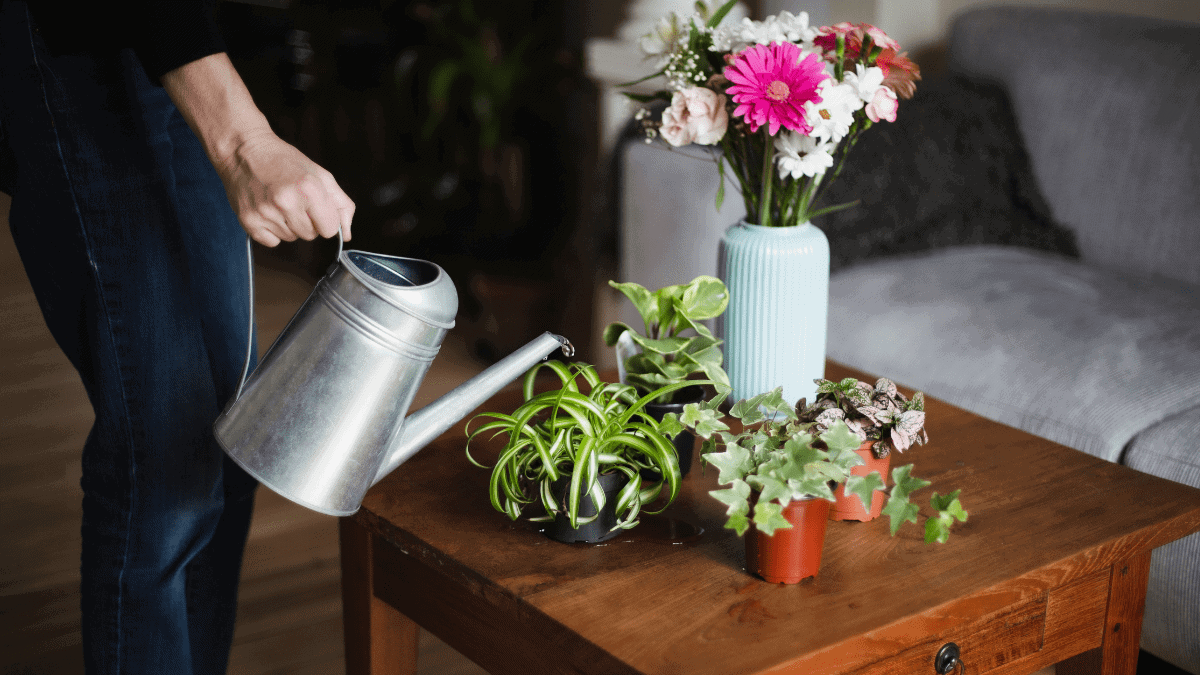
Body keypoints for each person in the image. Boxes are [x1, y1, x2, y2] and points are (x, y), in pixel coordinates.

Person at [0, 1, 354, 673]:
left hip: (190, 39)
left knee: (227, 436)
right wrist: (245, 142)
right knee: (161, 459)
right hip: (73, 39)